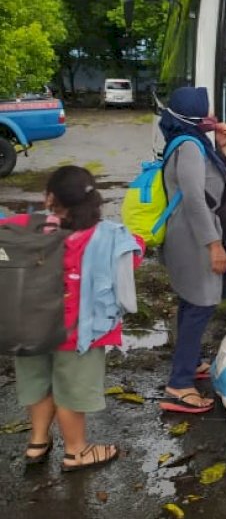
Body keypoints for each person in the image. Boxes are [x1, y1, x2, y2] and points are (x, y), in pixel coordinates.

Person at [1, 166, 143, 471]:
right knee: (70, 392)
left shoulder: (25, 226)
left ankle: (37, 442)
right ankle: (76, 451)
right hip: (75, 332)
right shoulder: (107, 235)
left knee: (38, 384)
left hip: (29, 327)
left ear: (49, 198)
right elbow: (133, 255)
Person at [159, 87, 226, 413]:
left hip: (190, 233)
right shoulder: (188, 145)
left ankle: (190, 361)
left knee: (192, 302)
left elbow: (212, 179)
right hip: (193, 236)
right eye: (205, 111)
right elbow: (194, 198)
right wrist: (213, 245)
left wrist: (222, 147)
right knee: (201, 303)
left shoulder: (190, 140)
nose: (210, 117)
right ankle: (179, 384)